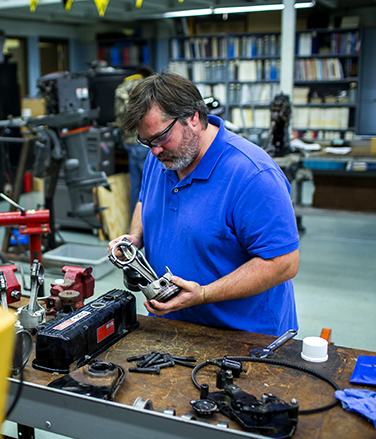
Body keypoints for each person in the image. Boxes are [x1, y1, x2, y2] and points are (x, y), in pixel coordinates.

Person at [108, 72, 300, 336]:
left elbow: (284, 263)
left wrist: (203, 294)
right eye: (147, 141)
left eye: (161, 137)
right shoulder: (162, 157)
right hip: (171, 326)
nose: (154, 151)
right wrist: (135, 237)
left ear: (193, 118)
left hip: (243, 338)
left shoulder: (253, 175)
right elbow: (146, 198)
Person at [114, 65, 156, 214]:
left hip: (129, 142)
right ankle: (146, 223)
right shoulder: (143, 86)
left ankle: (134, 223)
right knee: (151, 185)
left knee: (136, 185)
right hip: (143, 141)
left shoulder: (122, 87)